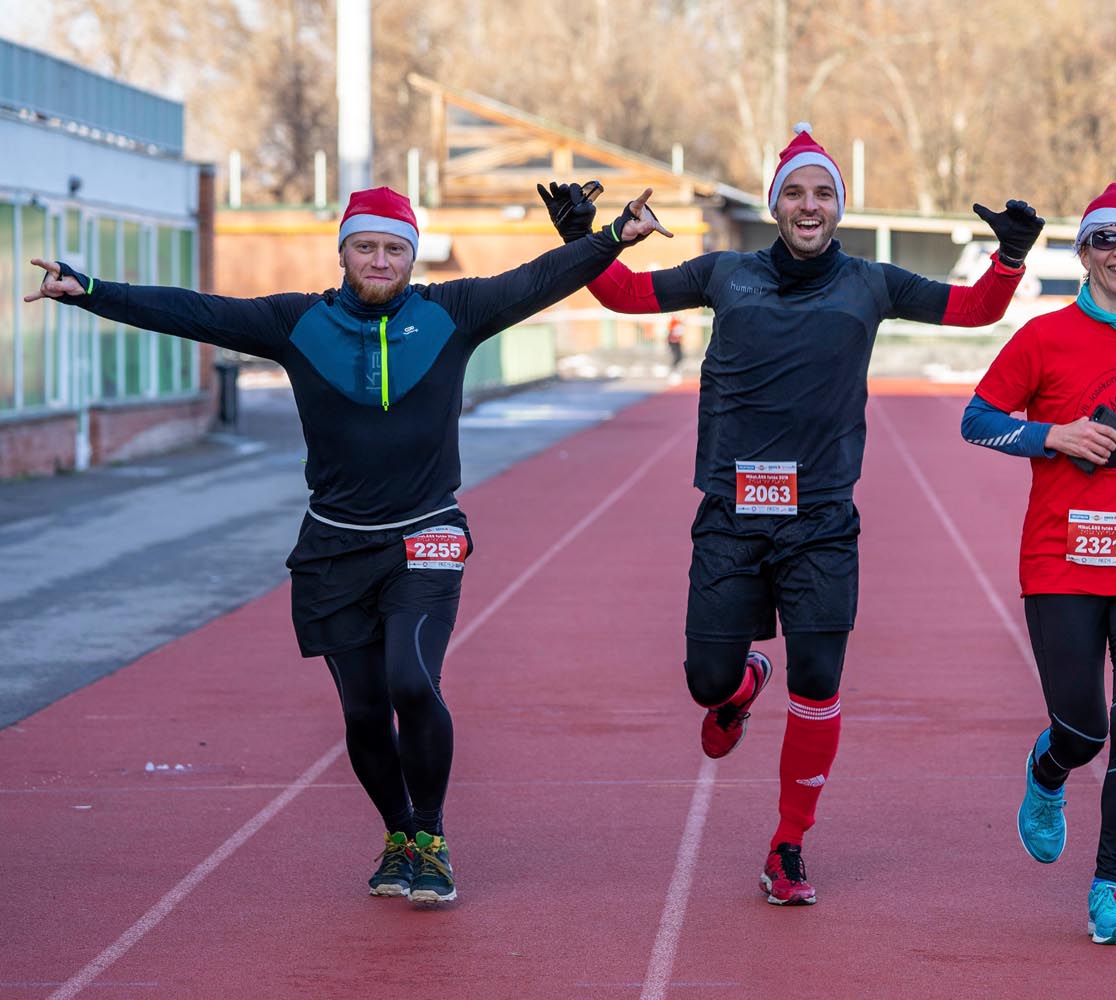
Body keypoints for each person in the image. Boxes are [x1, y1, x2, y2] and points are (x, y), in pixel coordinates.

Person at [27, 184, 660, 906]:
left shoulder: (452, 314)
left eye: (395, 248)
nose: (381, 259)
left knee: (412, 682)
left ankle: (431, 835)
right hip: (334, 546)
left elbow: (538, 279)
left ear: (411, 256)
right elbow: (197, 312)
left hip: (428, 534)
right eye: (367, 246)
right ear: (344, 253)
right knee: (362, 711)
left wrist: (610, 237)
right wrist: (93, 291)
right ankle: (397, 834)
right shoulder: (297, 322)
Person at [539, 123, 1044, 905]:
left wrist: (1009, 257)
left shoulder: (873, 283)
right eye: (795, 193)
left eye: (823, 194)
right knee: (706, 682)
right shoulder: (725, 273)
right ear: (775, 204)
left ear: (838, 208)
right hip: (732, 514)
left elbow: (976, 310)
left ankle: (789, 842)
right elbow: (630, 293)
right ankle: (740, 685)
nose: (809, 206)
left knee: (819, 679)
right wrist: (587, 240)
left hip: (822, 521)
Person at [959, 179, 1116, 944]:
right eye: (1106, 240)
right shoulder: (1042, 337)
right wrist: (1052, 436)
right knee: (1084, 727)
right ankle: (1048, 768)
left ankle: (1110, 888)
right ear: (1086, 252)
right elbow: (977, 420)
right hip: (1062, 561)